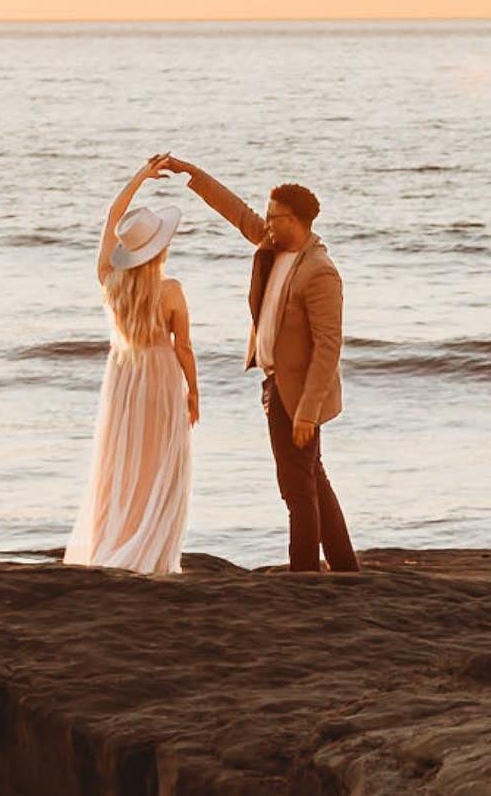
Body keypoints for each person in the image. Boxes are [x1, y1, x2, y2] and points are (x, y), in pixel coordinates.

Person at [159, 156, 358, 573]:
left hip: (298, 393)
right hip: (273, 383)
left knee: (296, 490)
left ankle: (303, 573)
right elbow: (235, 211)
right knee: (312, 479)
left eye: (275, 216)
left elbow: (328, 347)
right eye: (267, 215)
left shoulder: (319, 272)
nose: (265, 222)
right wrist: (190, 172)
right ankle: (344, 568)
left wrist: (306, 410)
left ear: (298, 221)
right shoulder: (272, 244)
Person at [64, 154, 199, 574]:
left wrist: (140, 175)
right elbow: (184, 348)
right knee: (159, 462)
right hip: (160, 377)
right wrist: (193, 392)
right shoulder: (172, 290)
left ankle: (115, 540)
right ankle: (151, 551)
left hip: (124, 375)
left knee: (122, 461)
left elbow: (111, 215)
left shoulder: (110, 280)